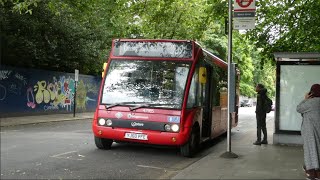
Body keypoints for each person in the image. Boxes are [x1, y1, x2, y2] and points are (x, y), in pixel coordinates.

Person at [296, 84, 320, 180]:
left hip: (310, 131)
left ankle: (312, 174)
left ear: (312, 92)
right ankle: (317, 173)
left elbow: (299, 108)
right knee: (317, 149)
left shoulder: (311, 102)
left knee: (310, 150)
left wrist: (305, 99)